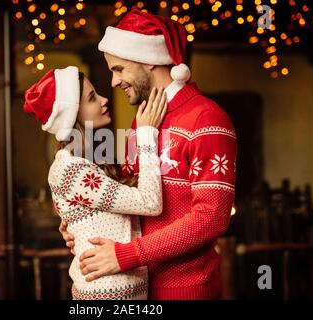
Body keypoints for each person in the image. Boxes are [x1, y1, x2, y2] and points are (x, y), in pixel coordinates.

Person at [60, 9, 238, 300]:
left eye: (119, 69)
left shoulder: (206, 118)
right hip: (133, 290)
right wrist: (84, 222)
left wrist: (127, 255)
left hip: (185, 291)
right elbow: (131, 200)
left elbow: (211, 218)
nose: (114, 82)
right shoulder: (142, 122)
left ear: (150, 62)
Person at [23, 65, 168, 299]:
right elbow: (150, 202)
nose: (103, 100)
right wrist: (146, 134)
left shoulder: (90, 161)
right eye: (92, 98)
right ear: (73, 116)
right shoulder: (70, 170)